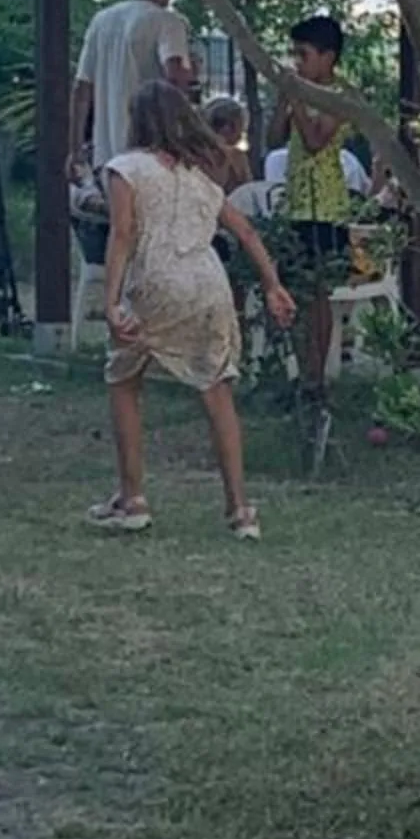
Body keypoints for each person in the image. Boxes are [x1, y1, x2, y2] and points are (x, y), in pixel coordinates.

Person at [93, 81, 295, 539]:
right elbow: (245, 231)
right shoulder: (200, 179)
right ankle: (240, 509)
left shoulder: (125, 169)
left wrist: (109, 300)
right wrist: (272, 284)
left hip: (156, 280)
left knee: (125, 380)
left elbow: (122, 235)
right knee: (217, 389)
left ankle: (133, 497)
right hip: (209, 284)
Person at [267, 14, 356, 393]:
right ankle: (301, 372)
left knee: (319, 294)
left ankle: (318, 377)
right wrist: (282, 103)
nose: (298, 62)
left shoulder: (340, 95)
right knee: (297, 290)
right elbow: (274, 137)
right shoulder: (299, 92)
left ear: (327, 56)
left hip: (326, 206)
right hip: (297, 203)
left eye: (304, 54)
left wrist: (300, 102)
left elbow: (318, 139)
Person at [71, 0, 195, 183]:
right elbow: (175, 75)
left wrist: (75, 151)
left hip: (107, 154)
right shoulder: (167, 22)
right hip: (151, 152)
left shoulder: (102, 20)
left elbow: (82, 89)